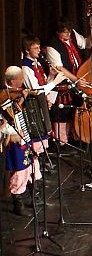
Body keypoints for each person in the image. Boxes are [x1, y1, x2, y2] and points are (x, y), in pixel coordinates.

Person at [44, 16, 92, 144]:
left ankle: (76, 137)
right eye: (64, 32)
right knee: (63, 113)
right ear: (58, 32)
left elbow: (87, 44)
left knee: (75, 110)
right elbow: (59, 68)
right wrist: (76, 80)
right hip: (63, 84)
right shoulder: (52, 46)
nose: (68, 34)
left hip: (77, 81)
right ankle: (62, 141)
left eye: (69, 31)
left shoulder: (72, 34)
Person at [2, 66, 41, 216]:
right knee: (19, 171)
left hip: (23, 136)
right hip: (13, 139)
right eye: (20, 78)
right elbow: (6, 119)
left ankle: (34, 196)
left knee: (32, 165)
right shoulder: (3, 97)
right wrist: (12, 136)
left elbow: (15, 111)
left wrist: (24, 97)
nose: (23, 80)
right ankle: (18, 205)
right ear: (13, 81)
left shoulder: (14, 94)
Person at [21, 34, 64, 162]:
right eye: (35, 48)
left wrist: (51, 76)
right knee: (38, 134)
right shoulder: (26, 67)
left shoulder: (38, 63)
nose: (39, 50)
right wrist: (55, 82)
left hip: (42, 104)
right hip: (33, 107)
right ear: (27, 50)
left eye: (39, 47)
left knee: (45, 132)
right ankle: (37, 165)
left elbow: (44, 85)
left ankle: (44, 163)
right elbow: (36, 90)